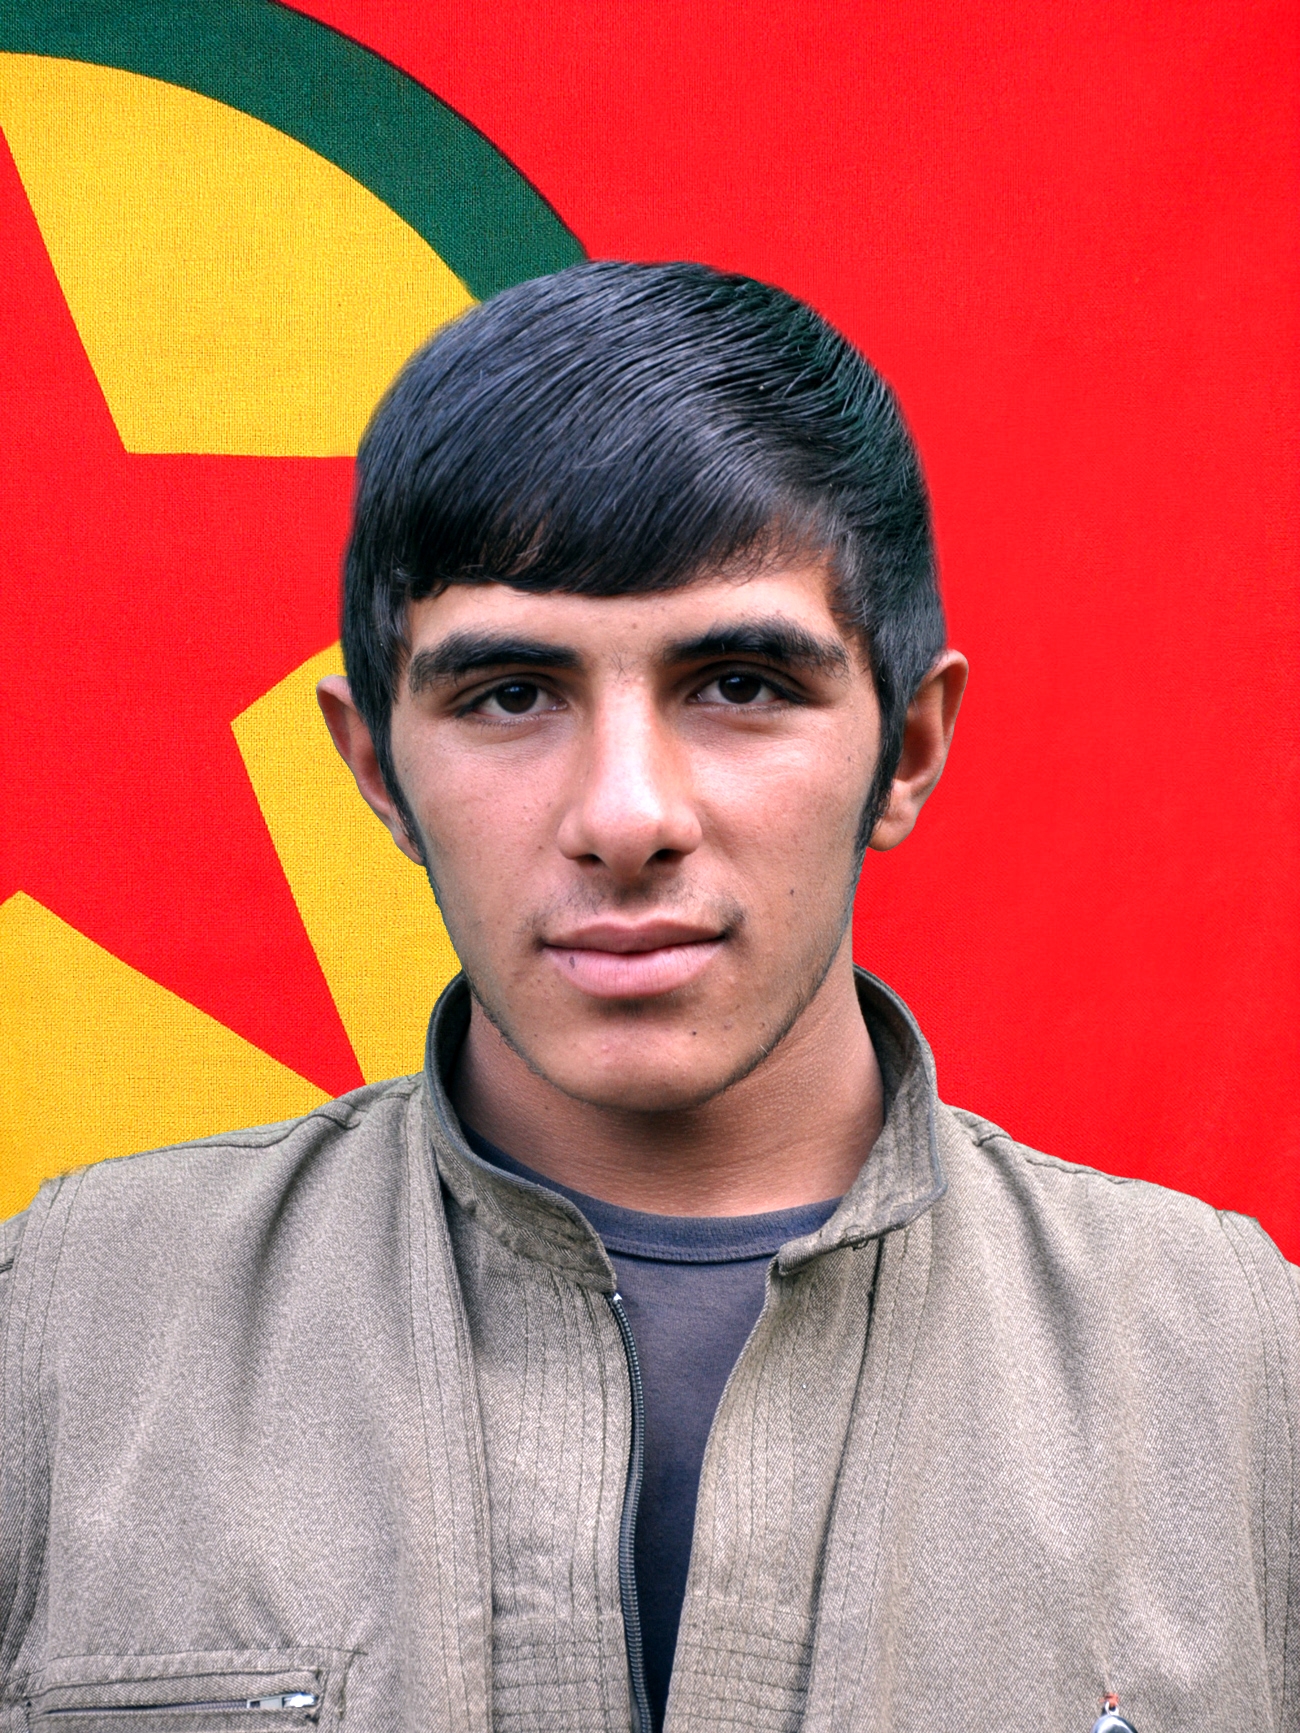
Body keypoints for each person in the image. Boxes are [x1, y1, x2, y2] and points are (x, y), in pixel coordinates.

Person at [1, 261, 1295, 1733]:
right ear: (378, 770)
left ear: (910, 748)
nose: (625, 816)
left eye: (739, 683)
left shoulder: (1239, 1370)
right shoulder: (61, 1337)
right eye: (510, 694)